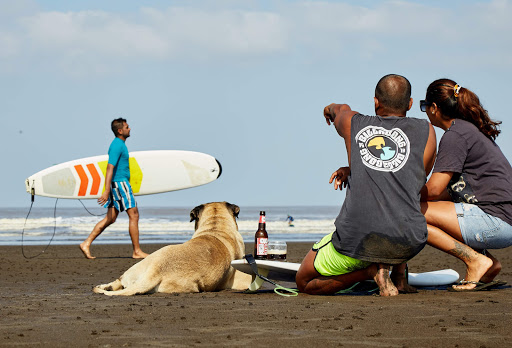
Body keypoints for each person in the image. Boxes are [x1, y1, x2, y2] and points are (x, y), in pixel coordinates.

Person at [296, 74, 437, 296]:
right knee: (400, 204)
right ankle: (399, 276)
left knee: (304, 281)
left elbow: (339, 108)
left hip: (358, 240)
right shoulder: (427, 131)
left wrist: (329, 109)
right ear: (410, 104)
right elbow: (413, 180)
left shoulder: (354, 123)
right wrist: (354, 169)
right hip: (409, 241)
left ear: (376, 102)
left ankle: (369, 271)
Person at [419, 79, 512, 291]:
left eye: (425, 106)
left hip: (496, 223)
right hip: (503, 220)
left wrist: (398, 192)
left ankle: (475, 261)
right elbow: (446, 194)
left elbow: (432, 190)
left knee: (409, 212)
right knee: (419, 208)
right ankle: (489, 265)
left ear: (434, 108)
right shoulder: (468, 130)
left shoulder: (456, 135)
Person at [80, 118, 149, 259]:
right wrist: (106, 191)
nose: (130, 129)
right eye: (127, 127)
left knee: (110, 218)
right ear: (120, 130)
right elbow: (109, 167)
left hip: (116, 184)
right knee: (134, 215)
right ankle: (137, 251)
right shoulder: (117, 145)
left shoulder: (119, 144)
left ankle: (86, 243)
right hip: (120, 184)